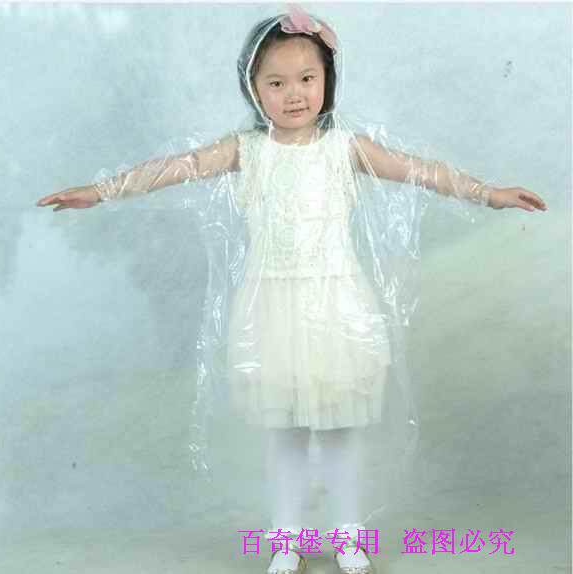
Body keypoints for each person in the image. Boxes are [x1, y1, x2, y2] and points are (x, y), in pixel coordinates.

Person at [36, 6, 547, 574]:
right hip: (271, 309)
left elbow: (419, 171)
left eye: (307, 78)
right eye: (275, 82)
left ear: (328, 80)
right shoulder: (245, 150)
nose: (294, 94)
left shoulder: (345, 148)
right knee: (285, 436)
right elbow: (175, 167)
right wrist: (100, 191)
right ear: (253, 88)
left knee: (339, 433)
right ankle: (287, 540)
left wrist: (488, 193)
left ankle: (349, 536)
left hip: (338, 307)